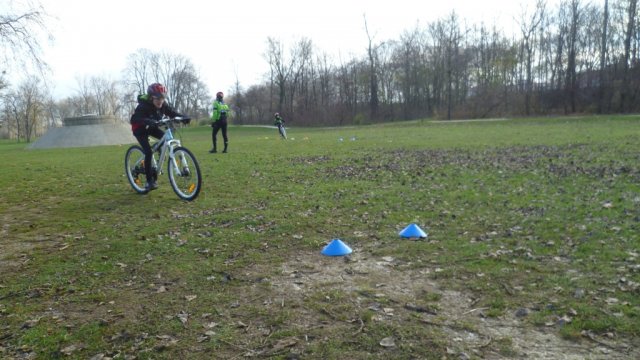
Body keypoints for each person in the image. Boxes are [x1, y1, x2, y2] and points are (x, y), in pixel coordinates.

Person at [130, 82, 189, 191]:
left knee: (165, 138)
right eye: (158, 98)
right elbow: (134, 119)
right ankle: (149, 181)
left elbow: (172, 113)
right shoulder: (143, 106)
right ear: (151, 97)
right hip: (140, 129)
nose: (160, 100)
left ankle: (158, 149)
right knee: (148, 152)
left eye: (163, 97)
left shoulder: (163, 105)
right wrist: (147, 120)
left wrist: (183, 117)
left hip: (151, 126)